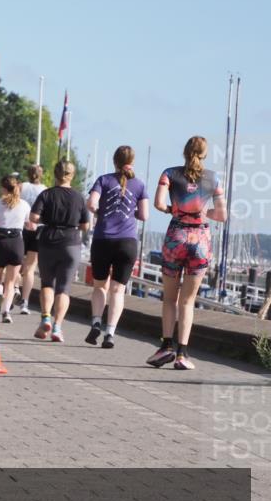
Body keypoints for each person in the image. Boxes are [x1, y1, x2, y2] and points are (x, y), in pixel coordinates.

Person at [146, 136, 227, 370]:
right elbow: (221, 214)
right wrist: (200, 213)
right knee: (188, 301)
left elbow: (159, 204)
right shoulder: (214, 178)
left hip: (176, 239)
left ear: (184, 152)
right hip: (200, 241)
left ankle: (165, 347)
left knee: (170, 298)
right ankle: (183, 354)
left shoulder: (169, 174)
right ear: (205, 154)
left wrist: (177, 210)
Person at [85, 146, 149, 348]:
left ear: (115, 161)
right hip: (127, 242)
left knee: (99, 286)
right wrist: (131, 212)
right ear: (133, 161)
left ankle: (96, 322)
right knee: (118, 290)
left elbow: (91, 204)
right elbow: (144, 215)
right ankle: (110, 333)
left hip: (103, 239)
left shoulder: (103, 180)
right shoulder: (139, 185)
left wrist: (101, 212)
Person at [29, 159, 90, 342]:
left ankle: (45, 317)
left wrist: (46, 220)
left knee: (47, 284)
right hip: (71, 243)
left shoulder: (46, 194)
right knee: (63, 288)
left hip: (48, 240)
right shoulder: (79, 197)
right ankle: (57, 327)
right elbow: (85, 225)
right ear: (72, 175)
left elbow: (33, 217)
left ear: (55, 174)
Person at [0, 175, 30, 324]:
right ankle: (6, 312)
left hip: (1, 241)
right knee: (11, 282)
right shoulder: (24, 205)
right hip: (17, 243)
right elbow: (29, 225)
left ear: (4, 188)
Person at [18, 164, 47, 315]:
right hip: (38, 228)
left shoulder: (21, 186)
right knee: (30, 267)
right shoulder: (45, 190)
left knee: (16, 264)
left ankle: (14, 289)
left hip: (22, 227)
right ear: (41, 175)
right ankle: (25, 301)